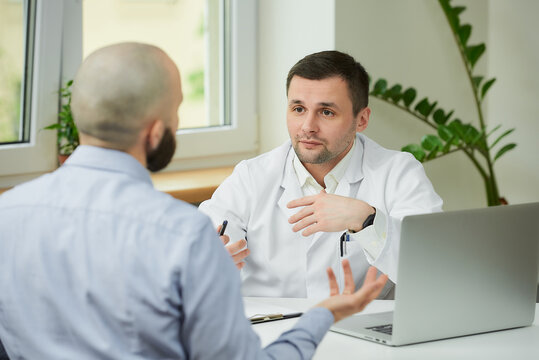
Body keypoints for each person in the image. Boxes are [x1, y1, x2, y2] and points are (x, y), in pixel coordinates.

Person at [0, 43, 388, 359]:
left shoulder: (7, 214)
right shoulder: (180, 233)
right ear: (155, 132)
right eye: (176, 112)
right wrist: (320, 316)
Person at [199, 50, 443, 299]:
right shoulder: (251, 177)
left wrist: (366, 221)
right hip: (268, 329)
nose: (307, 127)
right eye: (298, 109)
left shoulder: (398, 173)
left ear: (361, 120)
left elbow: (434, 269)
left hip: (359, 331)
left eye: (326, 112)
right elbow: (205, 240)